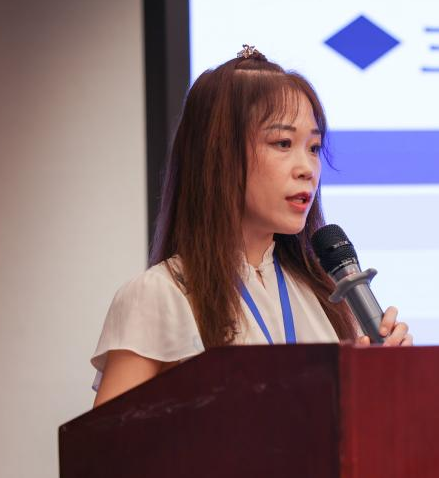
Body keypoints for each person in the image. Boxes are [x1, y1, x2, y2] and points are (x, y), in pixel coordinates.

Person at [90, 46, 411, 406]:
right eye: (283, 143)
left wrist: (380, 379)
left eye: (314, 147)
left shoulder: (327, 296)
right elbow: (109, 441)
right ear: (219, 155)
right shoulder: (160, 293)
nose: (307, 169)